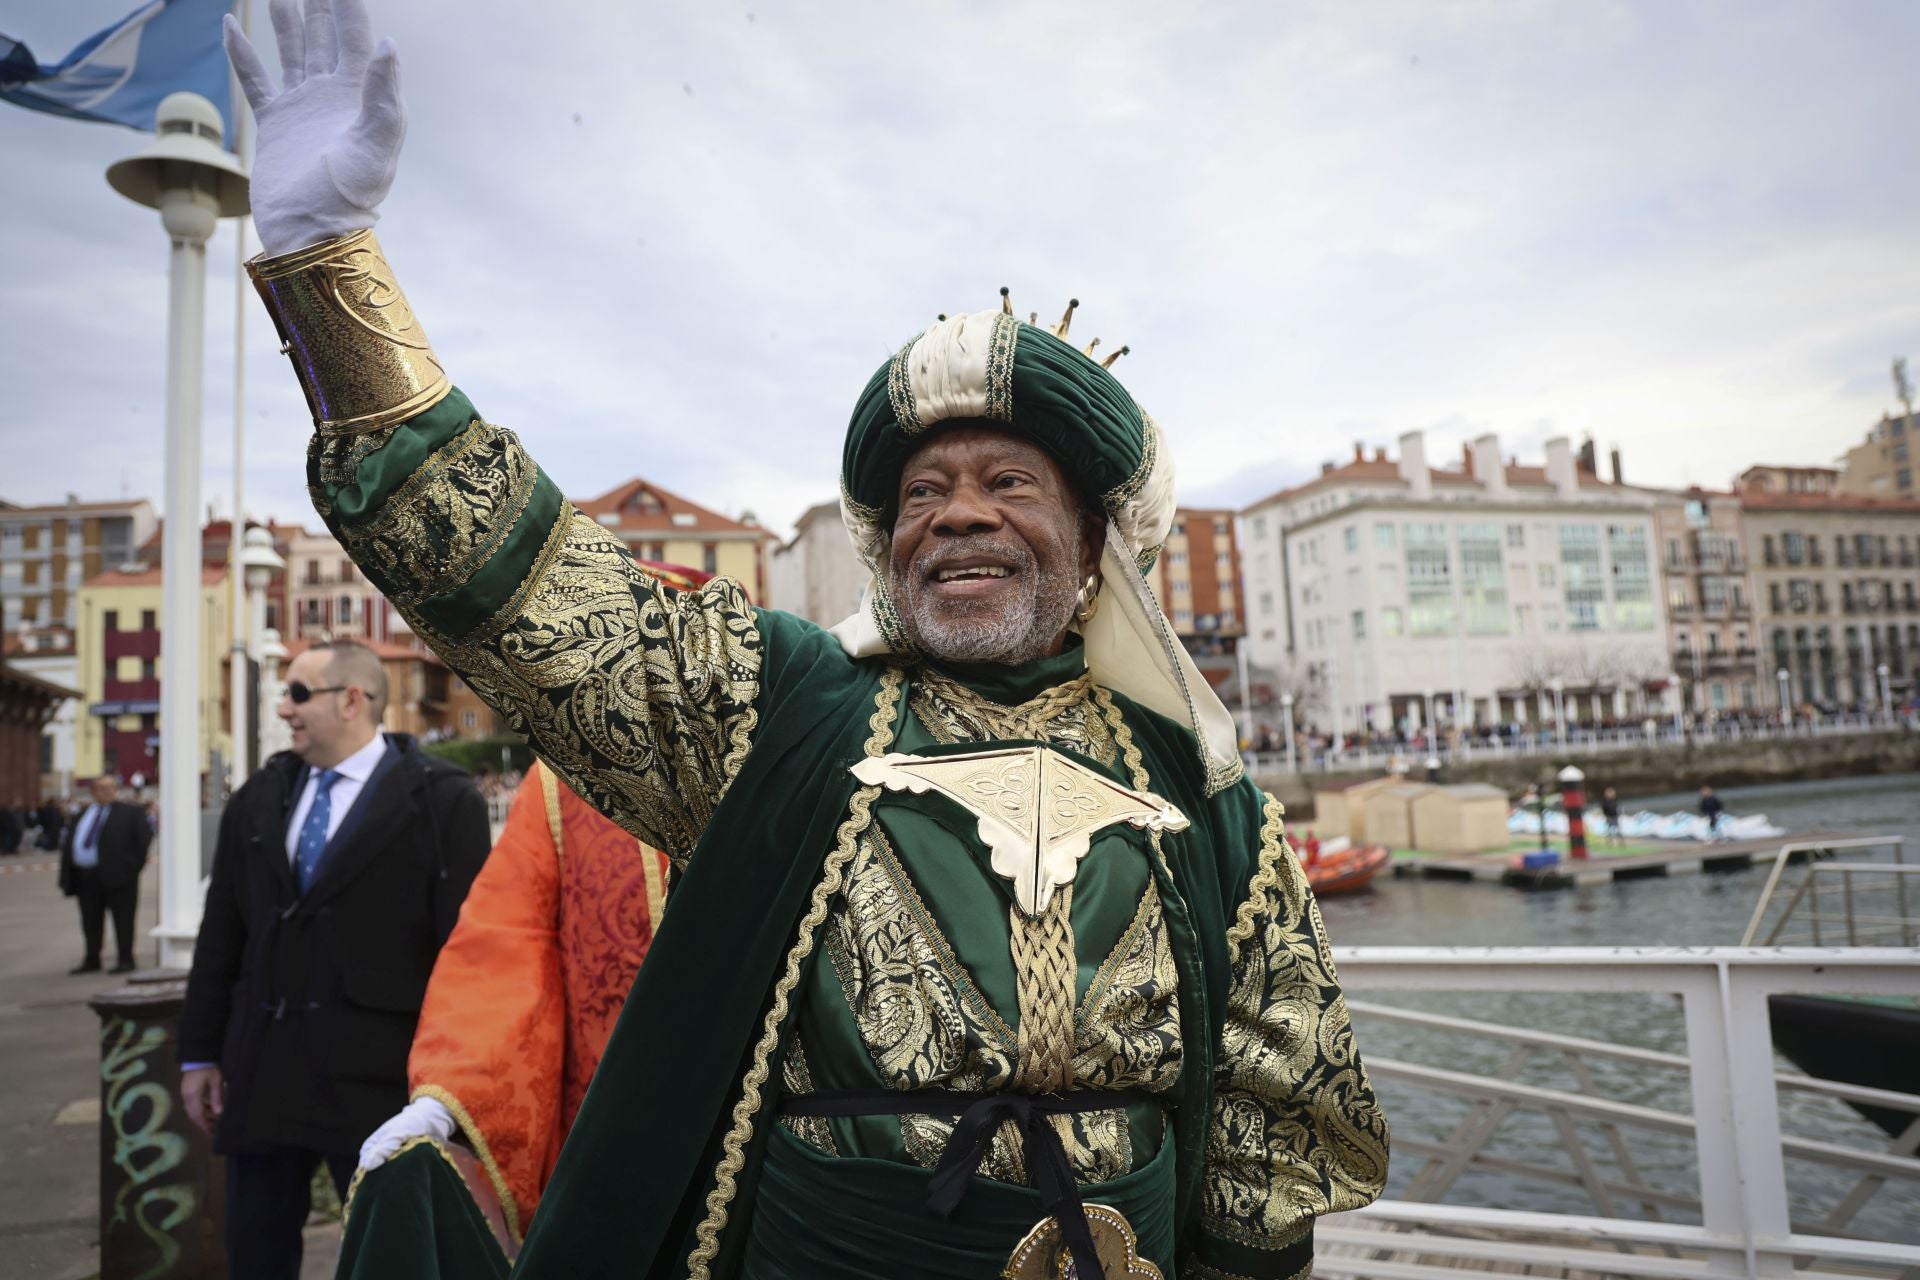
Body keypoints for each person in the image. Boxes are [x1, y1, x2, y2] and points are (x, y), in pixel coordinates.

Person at [228, 6, 1389, 1278]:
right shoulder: (780, 708)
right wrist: (331, 269)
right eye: (923, 495)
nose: (958, 514)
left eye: (1010, 480)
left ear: (1097, 541)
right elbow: (537, 589)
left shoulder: (1202, 791)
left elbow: (1267, 1134)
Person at [176, 639, 491, 1280]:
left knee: (392, 1258)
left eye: (297, 693)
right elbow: (222, 936)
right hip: (262, 1072)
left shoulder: (442, 800)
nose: (284, 709)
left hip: (376, 1086)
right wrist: (200, 1052)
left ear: (352, 700)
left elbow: (467, 956)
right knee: (255, 1253)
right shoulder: (259, 798)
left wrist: (452, 1087)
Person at [353, 761, 675, 1256]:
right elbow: (506, 943)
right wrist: (447, 1096)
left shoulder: (804, 751)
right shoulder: (570, 778)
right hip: (610, 1145)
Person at [57, 775, 151, 973]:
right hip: (87, 878)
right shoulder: (82, 815)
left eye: (110, 788)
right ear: (92, 791)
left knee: (123, 919)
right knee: (90, 920)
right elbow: (70, 843)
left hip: (119, 877)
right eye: (102, 788)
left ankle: (125, 959)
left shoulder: (129, 813)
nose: (107, 792)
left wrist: (131, 869)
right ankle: (92, 959)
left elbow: (142, 842)